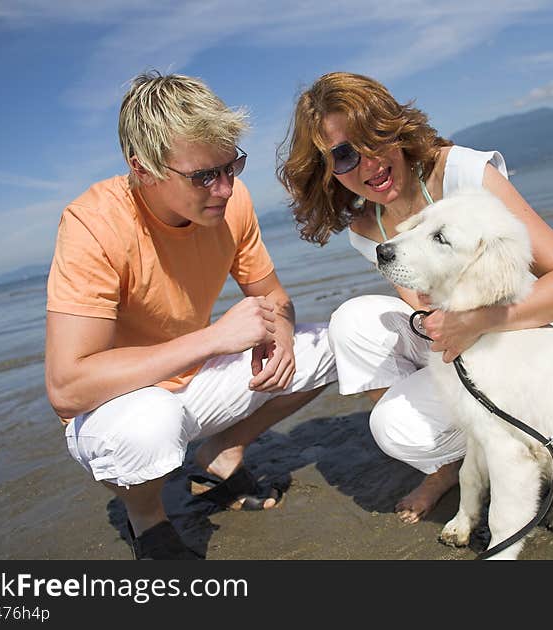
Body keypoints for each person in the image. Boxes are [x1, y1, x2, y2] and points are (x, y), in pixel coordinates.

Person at [278, 72, 553, 524]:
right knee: (353, 329)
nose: (369, 163)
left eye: (373, 138)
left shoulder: (461, 172)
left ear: (395, 127)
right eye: (346, 155)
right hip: (476, 338)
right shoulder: (368, 230)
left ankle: (529, 454)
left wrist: (477, 322)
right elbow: (426, 310)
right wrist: (453, 326)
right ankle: (454, 465)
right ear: (327, 169)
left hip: (547, 326)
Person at [45, 72, 337, 560]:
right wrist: (212, 339)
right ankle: (147, 517)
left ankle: (222, 449)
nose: (224, 188)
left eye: (232, 165)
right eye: (204, 175)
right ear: (144, 170)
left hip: (194, 383)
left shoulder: (231, 202)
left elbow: (276, 299)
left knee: (336, 342)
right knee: (151, 423)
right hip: (114, 406)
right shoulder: (93, 225)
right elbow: (68, 386)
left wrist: (281, 333)